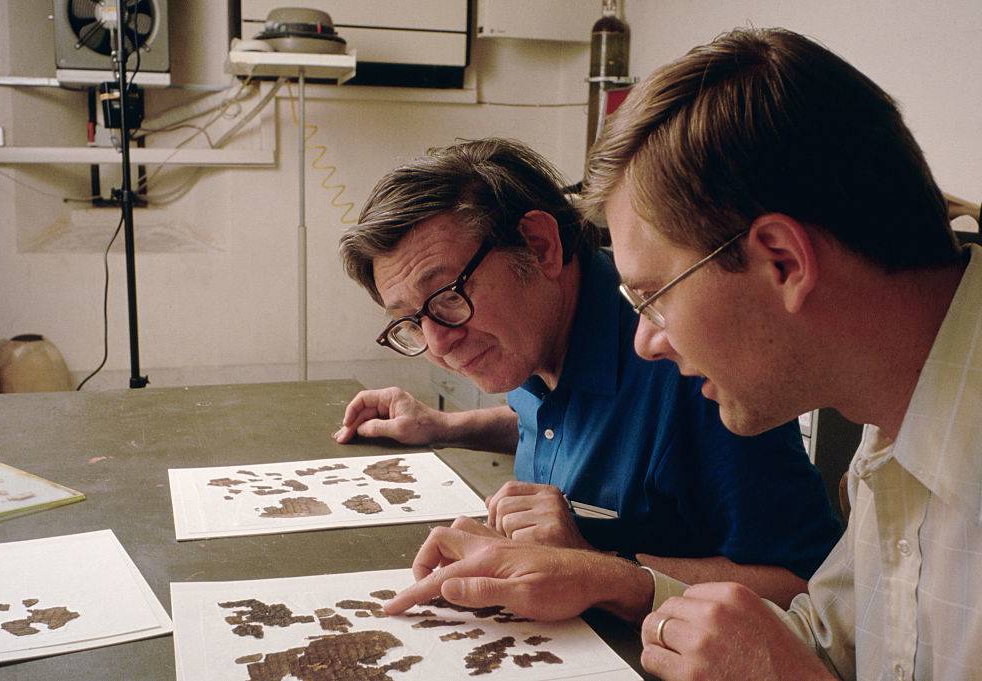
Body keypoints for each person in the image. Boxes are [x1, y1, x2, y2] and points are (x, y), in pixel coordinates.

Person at [385, 27, 981, 681]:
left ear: (781, 260)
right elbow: (826, 638)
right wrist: (614, 581)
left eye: (653, 297)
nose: (643, 339)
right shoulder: (898, 415)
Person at [336, 137, 842, 609]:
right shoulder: (533, 335)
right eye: (410, 321)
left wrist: (595, 566)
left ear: (539, 246)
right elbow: (576, 424)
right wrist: (444, 427)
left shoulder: (686, 361)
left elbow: (804, 586)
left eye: (448, 295)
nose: (439, 342)